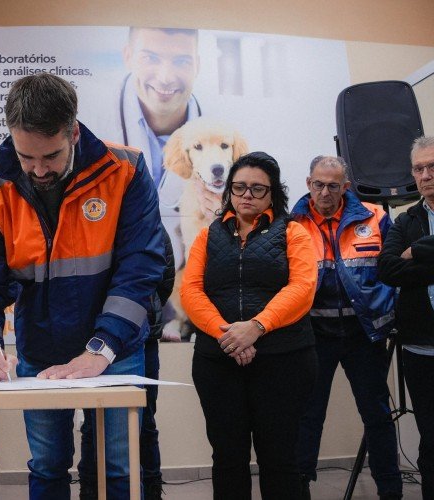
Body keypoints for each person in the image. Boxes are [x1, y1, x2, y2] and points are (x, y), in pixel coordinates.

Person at [0, 73, 165, 500]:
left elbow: (140, 267)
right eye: (25, 157)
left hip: (117, 350)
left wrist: (101, 347)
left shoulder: (125, 170)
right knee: (48, 468)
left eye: (50, 156)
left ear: (73, 131)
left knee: (118, 470)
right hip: (41, 354)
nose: (37, 170)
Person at [181, 151, 318, 499]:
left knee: (280, 459)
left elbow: (302, 288)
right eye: (239, 187)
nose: (247, 195)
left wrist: (255, 327)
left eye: (258, 189)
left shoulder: (294, 233)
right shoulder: (208, 236)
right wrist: (229, 336)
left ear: (273, 194)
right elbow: (192, 290)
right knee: (227, 459)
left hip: (283, 361)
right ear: (228, 190)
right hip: (218, 362)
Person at [291, 156, 401, 500]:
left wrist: (386, 309)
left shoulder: (376, 217)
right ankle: (299, 491)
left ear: (346, 187)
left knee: (378, 417)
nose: (325, 192)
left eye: (333, 185)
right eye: (319, 184)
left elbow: (394, 271)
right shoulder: (291, 224)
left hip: (363, 335)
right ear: (309, 183)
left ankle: (391, 492)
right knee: (307, 419)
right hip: (313, 336)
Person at [77, 226, 174, 500]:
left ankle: (151, 490)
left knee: (143, 420)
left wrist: (138, 315)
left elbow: (163, 278)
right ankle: (90, 490)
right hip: (93, 339)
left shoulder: (149, 223)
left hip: (139, 338)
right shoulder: (90, 223)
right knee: (90, 422)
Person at [94, 27, 201, 267]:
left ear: (198, 65)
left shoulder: (229, 136)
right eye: (150, 58)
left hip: (188, 286)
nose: (165, 77)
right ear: (128, 56)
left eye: (182, 61)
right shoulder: (90, 124)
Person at [378, 135, 434, 500]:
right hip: (421, 349)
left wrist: (420, 253)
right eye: (419, 168)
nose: (426, 175)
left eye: (433, 167)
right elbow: (388, 268)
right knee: (431, 437)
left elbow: (405, 263)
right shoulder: (405, 219)